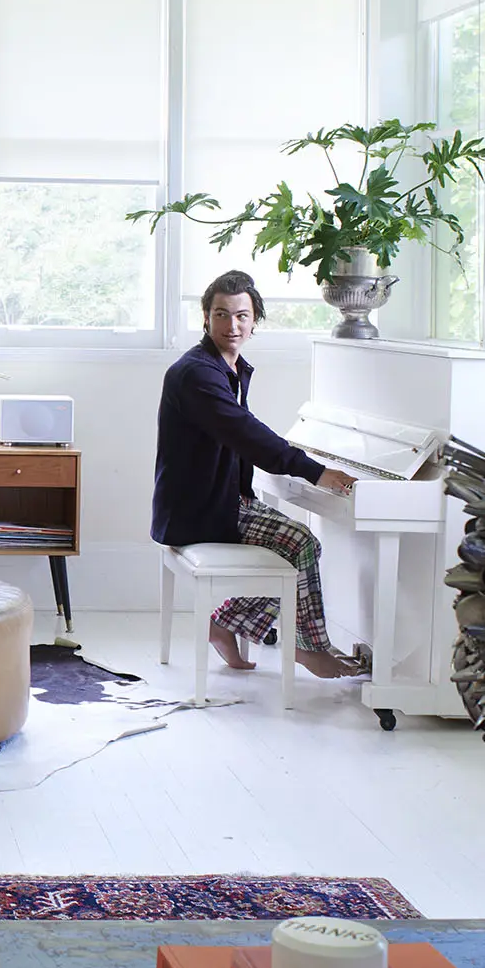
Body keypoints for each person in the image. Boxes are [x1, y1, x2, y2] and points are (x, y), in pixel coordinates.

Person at [153, 271, 365, 680]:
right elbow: (246, 434)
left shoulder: (224, 366)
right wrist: (315, 471)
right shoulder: (197, 373)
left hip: (214, 499)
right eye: (221, 315)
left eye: (241, 316)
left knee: (297, 546)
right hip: (197, 510)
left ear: (255, 320)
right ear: (205, 317)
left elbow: (242, 437)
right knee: (302, 543)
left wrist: (295, 467)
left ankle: (226, 623)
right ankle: (308, 649)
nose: (232, 326)